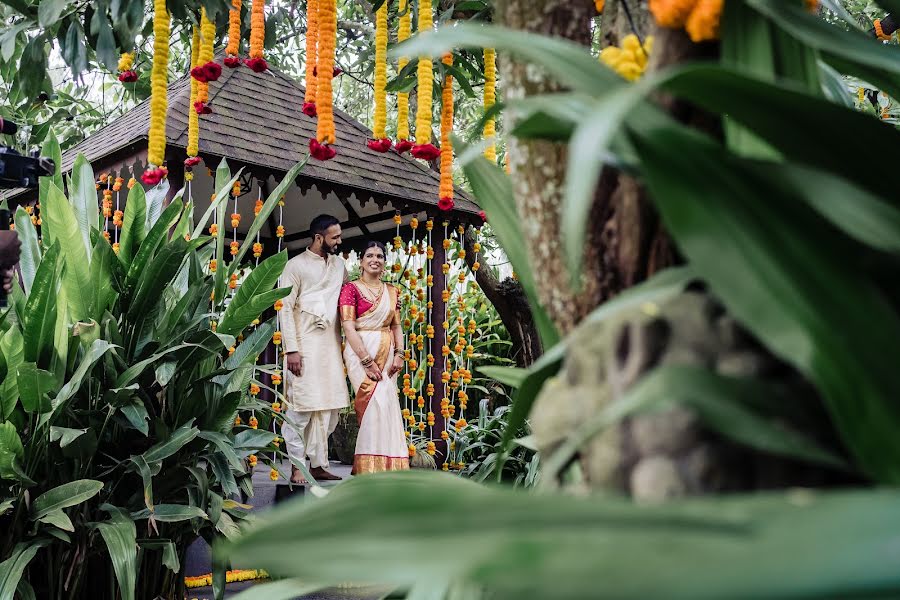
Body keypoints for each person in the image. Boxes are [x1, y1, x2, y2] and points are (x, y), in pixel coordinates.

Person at [280, 214, 350, 483]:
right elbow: (285, 309)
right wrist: (292, 350)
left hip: (330, 348)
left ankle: (318, 464)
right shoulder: (295, 266)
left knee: (330, 411)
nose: (339, 241)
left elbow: (348, 299)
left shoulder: (339, 266)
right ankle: (298, 465)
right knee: (302, 408)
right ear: (319, 238)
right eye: (335, 237)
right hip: (304, 348)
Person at [339, 241, 410, 475]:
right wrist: (366, 361)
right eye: (369, 255)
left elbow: (397, 326)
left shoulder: (392, 291)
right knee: (370, 405)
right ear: (361, 261)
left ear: (384, 262)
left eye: (380, 256)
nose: (375, 259)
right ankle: (367, 467)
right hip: (360, 351)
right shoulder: (350, 289)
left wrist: (400, 354)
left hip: (388, 352)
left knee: (387, 404)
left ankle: (388, 465)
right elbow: (348, 328)